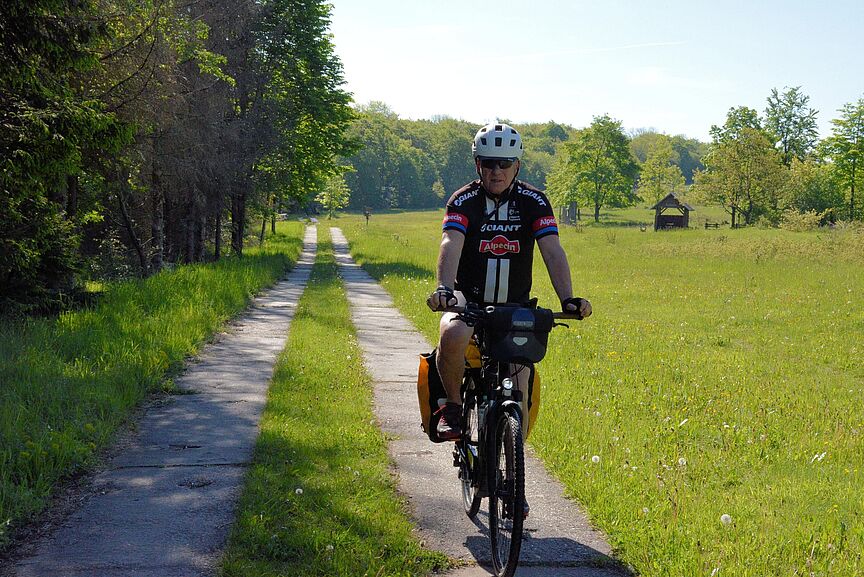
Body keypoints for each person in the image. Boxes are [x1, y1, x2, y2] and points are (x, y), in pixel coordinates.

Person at [426, 122, 592, 442]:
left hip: (514, 305)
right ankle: (453, 409)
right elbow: (450, 243)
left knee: (520, 384)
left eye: (504, 163)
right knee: (452, 332)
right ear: (478, 164)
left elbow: (552, 251)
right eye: (489, 162)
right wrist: (444, 289)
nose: (496, 171)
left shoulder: (534, 201)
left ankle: (513, 468)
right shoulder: (463, 201)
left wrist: (568, 299)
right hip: (468, 299)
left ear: (517, 165)